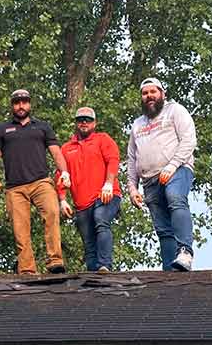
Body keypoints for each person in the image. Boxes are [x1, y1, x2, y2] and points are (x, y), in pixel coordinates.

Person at [0, 89, 70, 276]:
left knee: (52, 212)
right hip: (15, 187)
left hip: (41, 182)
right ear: (12, 106)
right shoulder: (2, 129)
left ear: (30, 104)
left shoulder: (42, 127)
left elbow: (56, 152)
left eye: (24, 102)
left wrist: (64, 172)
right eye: (17, 102)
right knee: (20, 228)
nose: (21, 106)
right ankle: (27, 269)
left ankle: (55, 261)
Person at [127, 77, 197, 271]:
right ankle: (170, 269)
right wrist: (132, 188)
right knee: (162, 227)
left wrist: (172, 166)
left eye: (153, 92)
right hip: (149, 180)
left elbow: (189, 140)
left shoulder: (175, 111)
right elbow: (132, 158)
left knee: (175, 198)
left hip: (176, 169)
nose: (149, 96)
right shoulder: (137, 125)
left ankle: (185, 251)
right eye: (145, 93)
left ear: (162, 93)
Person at [57, 107, 122, 272]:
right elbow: (61, 174)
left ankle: (105, 265)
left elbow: (113, 160)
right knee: (88, 241)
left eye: (88, 119)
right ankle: (93, 274)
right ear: (76, 123)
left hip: (106, 194)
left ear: (95, 123)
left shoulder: (103, 139)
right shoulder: (66, 148)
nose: (84, 122)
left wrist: (108, 183)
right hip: (82, 203)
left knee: (101, 219)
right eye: (80, 120)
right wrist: (62, 199)